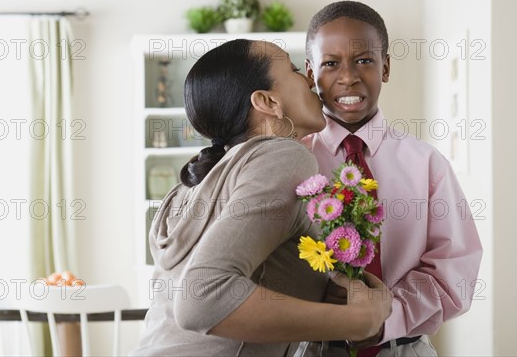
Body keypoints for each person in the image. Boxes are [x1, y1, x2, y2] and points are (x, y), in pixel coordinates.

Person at [131, 39, 393, 356]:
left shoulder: (195, 183)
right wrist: (356, 320)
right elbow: (200, 300)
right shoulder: (282, 154)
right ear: (267, 102)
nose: (311, 79)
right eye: (295, 70)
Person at [302, 1, 483, 355]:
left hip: (403, 347)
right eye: (330, 63)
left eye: (364, 60)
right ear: (311, 74)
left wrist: (384, 318)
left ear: (385, 67)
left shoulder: (427, 164)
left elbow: (454, 271)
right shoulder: (292, 161)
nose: (348, 76)